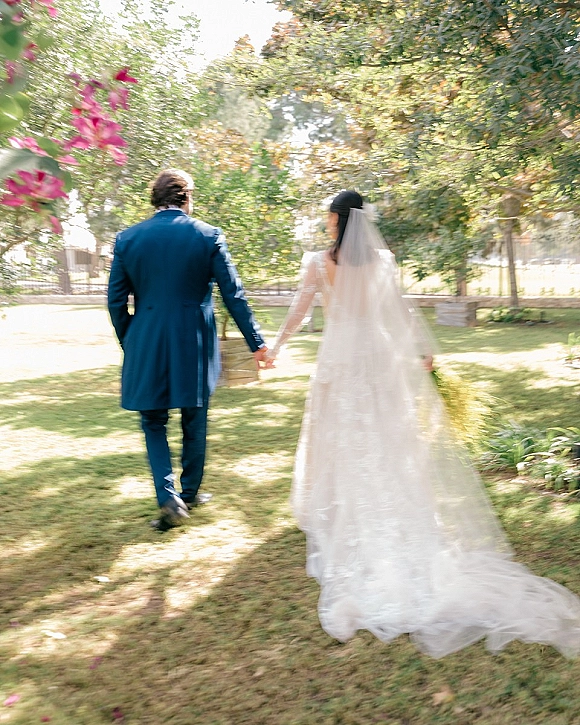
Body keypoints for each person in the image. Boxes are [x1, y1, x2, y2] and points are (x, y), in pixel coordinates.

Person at [266, 190, 580, 658]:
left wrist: (274, 347)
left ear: (338, 220)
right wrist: (420, 351)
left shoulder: (317, 262)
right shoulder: (384, 262)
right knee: (384, 440)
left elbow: (299, 311)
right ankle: (380, 506)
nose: (327, 224)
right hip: (377, 358)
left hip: (340, 359)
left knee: (341, 438)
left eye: (330, 218)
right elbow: (402, 312)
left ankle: (342, 510)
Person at [108, 169, 269, 531]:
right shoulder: (208, 236)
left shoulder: (127, 239)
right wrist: (256, 342)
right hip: (193, 341)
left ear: (155, 199)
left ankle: (168, 497)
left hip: (146, 338)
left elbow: (116, 302)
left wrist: (130, 340)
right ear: (187, 197)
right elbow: (234, 294)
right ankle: (190, 492)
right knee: (194, 418)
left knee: (153, 421)